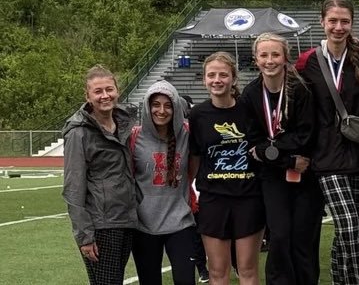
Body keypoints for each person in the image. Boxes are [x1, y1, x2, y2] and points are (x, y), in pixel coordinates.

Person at [296, 0, 359, 284]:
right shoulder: (306, 62)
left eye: (344, 21)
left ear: (352, 23)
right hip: (327, 156)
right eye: (332, 21)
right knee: (347, 227)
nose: (338, 27)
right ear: (322, 22)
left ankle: (351, 280)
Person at [241, 33, 323, 284]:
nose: (269, 60)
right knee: (278, 236)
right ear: (256, 59)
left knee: (303, 238)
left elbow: (306, 135)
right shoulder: (251, 94)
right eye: (264, 55)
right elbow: (253, 143)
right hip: (273, 176)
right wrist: (284, 159)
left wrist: (270, 149)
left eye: (275, 54)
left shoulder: (301, 88)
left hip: (305, 175)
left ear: (286, 57)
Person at [188, 52, 265, 285]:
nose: (217, 80)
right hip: (213, 199)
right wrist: (185, 191)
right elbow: (195, 156)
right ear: (204, 80)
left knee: (247, 270)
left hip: (249, 197)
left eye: (223, 74)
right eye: (211, 75)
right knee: (217, 272)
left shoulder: (249, 109)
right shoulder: (198, 114)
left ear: (233, 78)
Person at [63, 65, 139, 285]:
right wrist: (84, 236)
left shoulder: (123, 124)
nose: (105, 95)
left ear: (117, 91)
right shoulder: (79, 132)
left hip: (125, 219)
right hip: (101, 224)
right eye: (98, 91)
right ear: (88, 96)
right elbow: (73, 186)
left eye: (109, 89)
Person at [129, 80, 196, 285]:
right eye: (156, 104)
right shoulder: (134, 137)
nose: (161, 110)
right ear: (148, 107)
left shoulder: (187, 134)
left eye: (168, 105)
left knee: (186, 281)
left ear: (176, 107)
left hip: (181, 222)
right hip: (144, 225)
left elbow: (193, 170)